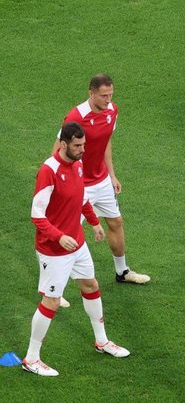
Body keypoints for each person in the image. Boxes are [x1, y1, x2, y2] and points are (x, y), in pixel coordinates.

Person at [24, 123, 130, 377]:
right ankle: (31, 358)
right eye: (77, 146)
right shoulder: (48, 171)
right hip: (54, 249)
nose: (83, 150)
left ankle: (102, 341)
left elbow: (80, 197)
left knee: (91, 285)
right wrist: (59, 237)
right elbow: (36, 214)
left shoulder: (78, 164)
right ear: (62, 144)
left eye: (84, 145)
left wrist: (94, 222)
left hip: (77, 243)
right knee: (51, 301)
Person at [60, 73, 150, 284]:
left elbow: (105, 142)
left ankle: (122, 272)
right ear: (90, 93)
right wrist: (62, 182)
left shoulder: (112, 111)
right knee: (67, 233)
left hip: (100, 181)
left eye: (111, 94)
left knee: (116, 222)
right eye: (103, 96)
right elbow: (59, 149)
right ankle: (53, 289)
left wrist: (111, 174)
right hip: (79, 183)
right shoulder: (75, 116)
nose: (108, 100)